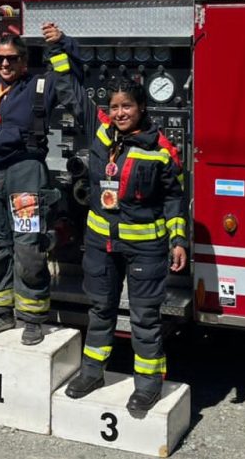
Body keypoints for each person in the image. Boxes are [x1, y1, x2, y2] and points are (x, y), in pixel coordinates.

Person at [43, 23, 188, 414]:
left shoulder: (161, 151)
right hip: (100, 245)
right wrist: (60, 48)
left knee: (143, 318)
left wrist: (178, 241)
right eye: (115, 107)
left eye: (128, 107)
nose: (120, 113)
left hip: (145, 249)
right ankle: (92, 371)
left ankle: (147, 385)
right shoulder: (101, 132)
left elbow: (175, 198)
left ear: (142, 109)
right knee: (101, 311)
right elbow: (72, 89)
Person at [0, 15, 79, 346]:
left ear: (24, 61)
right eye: (0, 59)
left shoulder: (40, 86)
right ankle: (0, 312)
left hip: (26, 172)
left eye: (12, 58)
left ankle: (33, 317)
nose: (5, 63)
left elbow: (72, 76)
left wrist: (60, 44)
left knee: (29, 246)